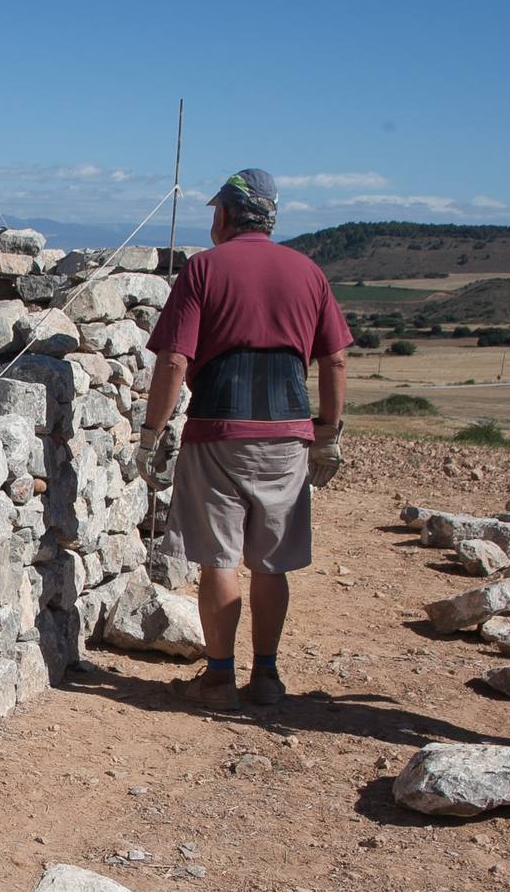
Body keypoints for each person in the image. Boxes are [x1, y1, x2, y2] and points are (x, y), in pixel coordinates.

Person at [138, 168, 351, 710]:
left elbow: (174, 358)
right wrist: (328, 433)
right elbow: (336, 359)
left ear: (227, 215)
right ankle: (268, 677)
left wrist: (151, 434)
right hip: (287, 435)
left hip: (217, 430)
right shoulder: (308, 272)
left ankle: (218, 677)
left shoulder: (205, 269)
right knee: (271, 562)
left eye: (215, 212)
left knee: (220, 560)